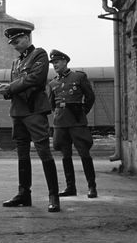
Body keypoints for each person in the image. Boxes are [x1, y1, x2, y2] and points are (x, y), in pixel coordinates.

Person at [0, 27, 60, 212]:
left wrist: (10, 88)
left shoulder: (39, 54)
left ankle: (53, 196)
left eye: (17, 41)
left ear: (26, 37)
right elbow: (16, 87)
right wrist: (5, 89)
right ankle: (24, 194)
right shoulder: (16, 63)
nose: (14, 46)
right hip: (18, 112)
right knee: (22, 153)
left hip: (34, 111)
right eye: (12, 43)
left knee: (43, 152)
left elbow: (35, 79)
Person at [47, 49, 97, 198]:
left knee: (84, 154)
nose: (55, 65)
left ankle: (92, 187)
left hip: (77, 122)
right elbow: (52, 104)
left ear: (65, 62)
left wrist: (81, 112)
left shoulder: (79, 77)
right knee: (65, 155)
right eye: (53, 63)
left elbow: (90, 97)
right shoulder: (53, 83)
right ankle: (70, 187)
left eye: (57, 62)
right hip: (61, 123)